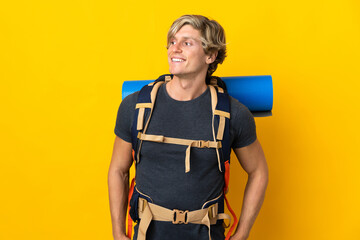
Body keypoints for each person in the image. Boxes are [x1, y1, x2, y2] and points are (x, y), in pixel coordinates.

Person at [108, 15, 269, 240]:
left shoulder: (234, 114)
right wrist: (117, 232)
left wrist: (242, 234)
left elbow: (259, 171)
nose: (175, 49)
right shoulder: (135, 106)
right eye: (172, 42)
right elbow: (118, 170)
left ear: (210, 55)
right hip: (147, 234)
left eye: (187, 43)